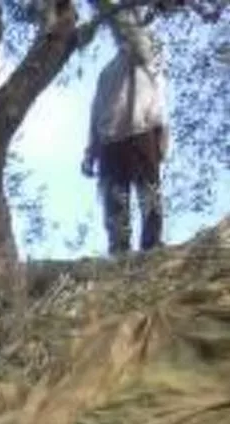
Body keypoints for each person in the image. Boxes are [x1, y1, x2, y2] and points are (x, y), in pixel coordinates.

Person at [83, 11, 168, 256]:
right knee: (115, 198)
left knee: (149, 192)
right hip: (110, 141)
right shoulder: (106, 72)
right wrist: (90, 151)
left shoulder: (147, 53)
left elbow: (160, 101)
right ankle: (119, 251)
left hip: (142, 132)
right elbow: (95, 112)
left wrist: (162, 136)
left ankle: (151, 246)